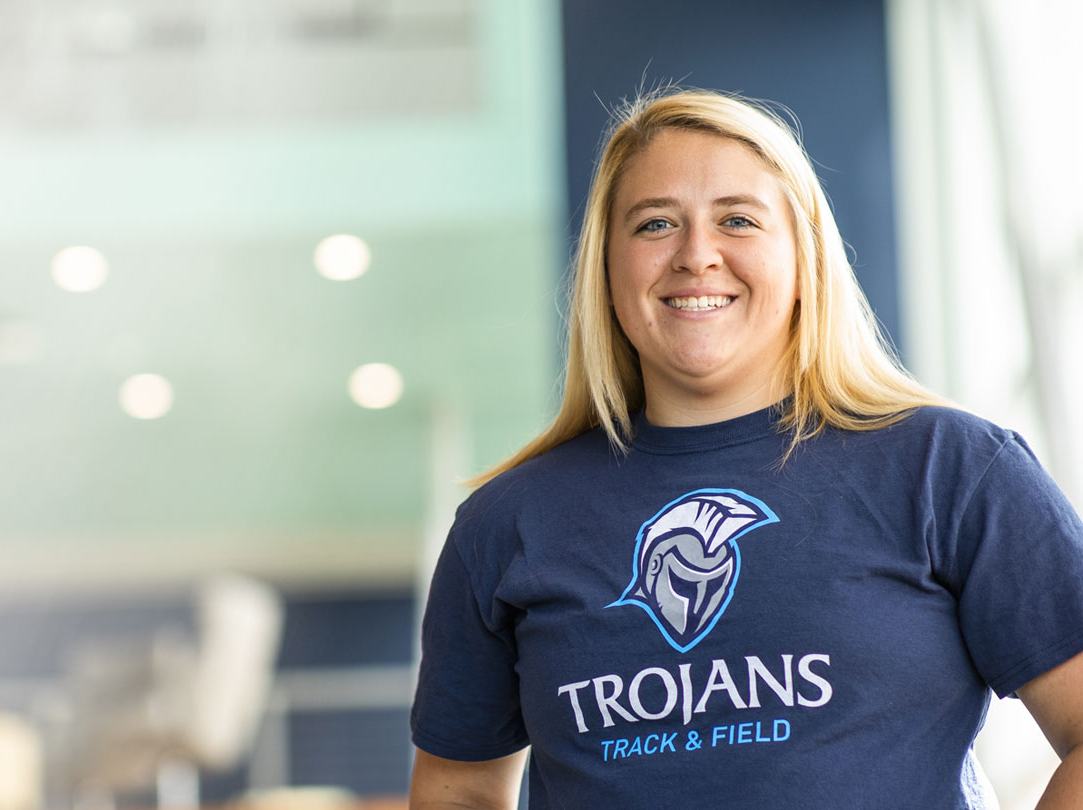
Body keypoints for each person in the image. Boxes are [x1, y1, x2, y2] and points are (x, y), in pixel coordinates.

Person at [408, 88, 1083, 808]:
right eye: (655, 224)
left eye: (738, 220)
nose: (697, 256)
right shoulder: (506, 524)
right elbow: (458, 792)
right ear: (607, 273)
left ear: (805, 261)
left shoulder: (950, 471)